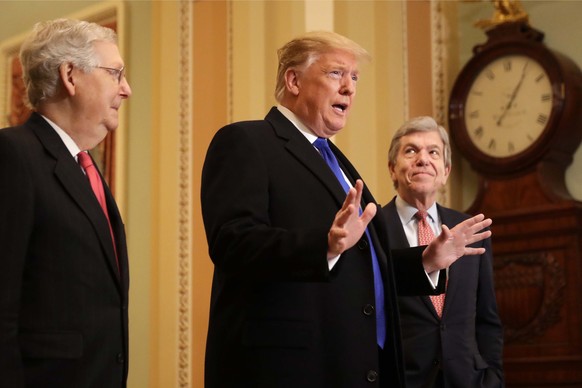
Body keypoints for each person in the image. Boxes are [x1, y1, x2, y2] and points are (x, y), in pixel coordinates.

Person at [201, 31, 492, 388]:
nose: (350, 88)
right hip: (289, 368)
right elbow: (233, 243)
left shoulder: (339, 163)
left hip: (358, 366)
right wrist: (324, 245)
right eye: (336, 73)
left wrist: (425, 262)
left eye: (354, 78)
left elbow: (361, 268)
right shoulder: (246, 141)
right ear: (294, 80)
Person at [0, 19, 132, 387]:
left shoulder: (84, 167)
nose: (127, 89)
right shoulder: (12, 155)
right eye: (115, 73)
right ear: (70, 75)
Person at [381, 116, 504, 387]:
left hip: (470, 380)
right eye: (411, 151)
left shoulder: (471, 230)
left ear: (446, 171)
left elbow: (487, 317)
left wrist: (493, 377)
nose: (423, 159)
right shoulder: (372, 230)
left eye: (433, 152)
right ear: (392, 168)